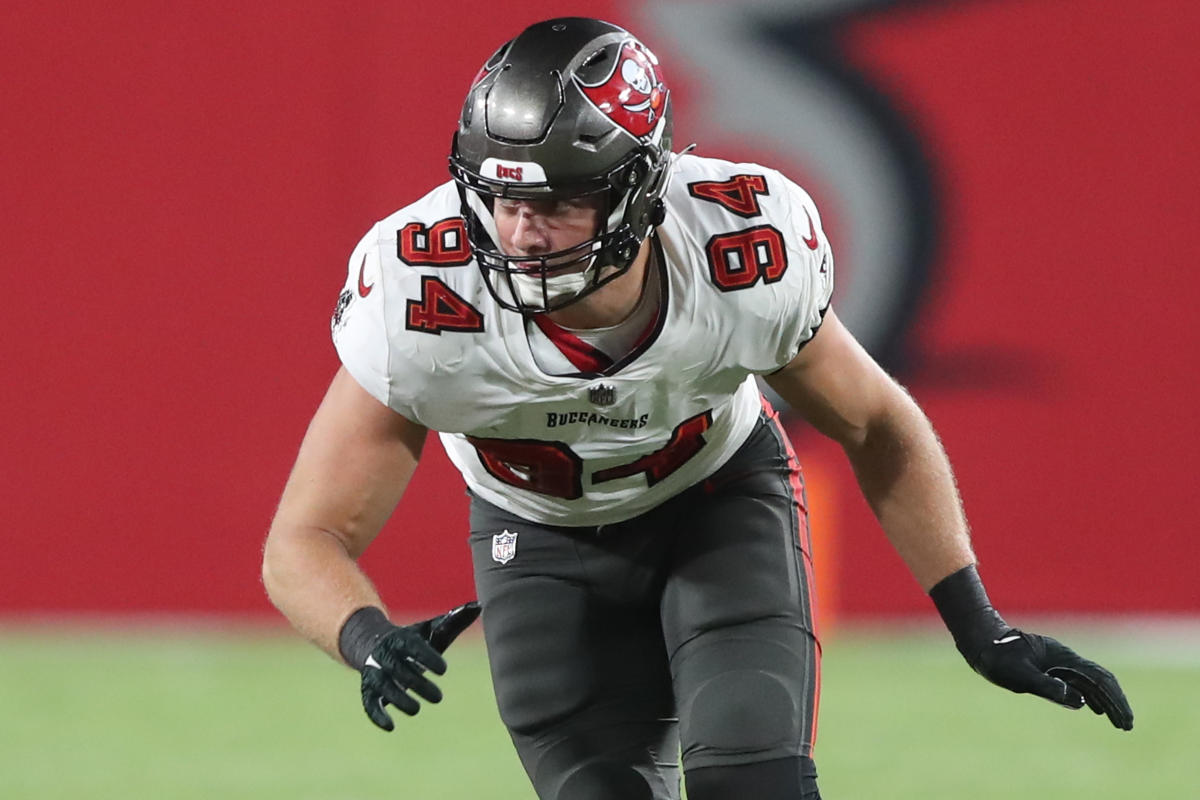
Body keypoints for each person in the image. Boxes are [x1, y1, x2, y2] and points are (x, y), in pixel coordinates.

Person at [261, 16, 1133, 800]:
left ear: (640, 189)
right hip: (539, 544)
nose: (523, 232)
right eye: (505, 198)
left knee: (754, 786)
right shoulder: (422, 293)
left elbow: (876, 424)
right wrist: (365, 635)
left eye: (560, 201)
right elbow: (304, 537)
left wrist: (978, 625)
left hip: (716, 510)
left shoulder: (736, 250)